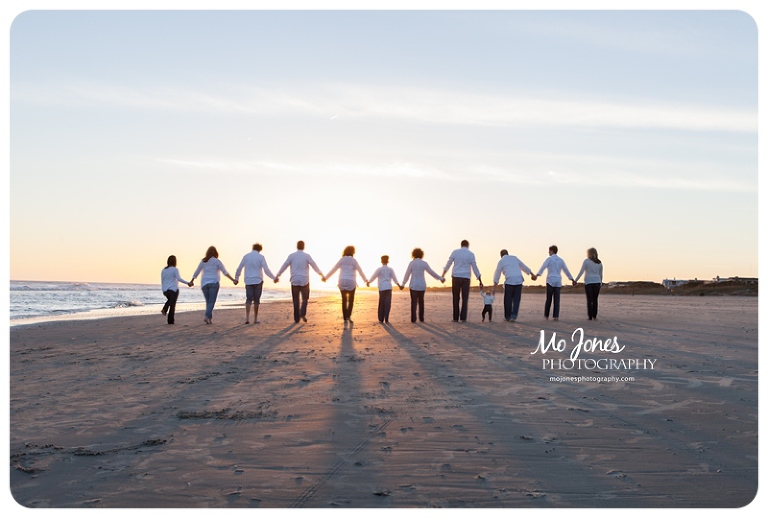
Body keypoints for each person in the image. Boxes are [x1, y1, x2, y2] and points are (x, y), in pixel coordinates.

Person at [274, 240, 325, 323]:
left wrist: (278, 275)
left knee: (295, 300)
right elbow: (314, 265)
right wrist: (321, 274)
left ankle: (296, 319)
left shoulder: (291, 256)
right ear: (303, 247)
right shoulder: (307, 256)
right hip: (305, 280)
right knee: (305, 298)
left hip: (294, 280)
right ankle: (302, 313)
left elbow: (284, 266)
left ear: (297, 246)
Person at [191, 246, 237, 324]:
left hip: (204, 284)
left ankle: (209, 319)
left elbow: (197, 272)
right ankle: (206, 316)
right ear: (216, 253)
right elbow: (225, 272)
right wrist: (233, 280)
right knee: (211, 302)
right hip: (214, 283)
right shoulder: (217, 261)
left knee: (208, 302)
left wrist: (192, 281)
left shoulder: (203, 261)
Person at [325, 246, 369, 325]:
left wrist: (326, 277)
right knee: (351, 300)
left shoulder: (342, 260)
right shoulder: (353, 261)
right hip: (351, 281)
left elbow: (334, 269)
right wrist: (365, 280)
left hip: (342, 281)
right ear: (352, 252)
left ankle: (345, 318)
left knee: (344, 300)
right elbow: (360, 271)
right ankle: (348, 316)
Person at [234, 243, 276, 324]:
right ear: (260, 249)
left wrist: (236, 278)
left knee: (248, 300)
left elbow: (239, 268)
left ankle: (247, 318)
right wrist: (273, 278)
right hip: (258, 280)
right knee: (256, 300)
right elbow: (266, 270)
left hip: (248, 281)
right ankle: (255, 319)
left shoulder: (246, 256)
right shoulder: (261, 257)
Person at [442, 240, 482, 322]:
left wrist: (443, 274)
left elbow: (448, 263)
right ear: (468, 245)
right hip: (466, 278)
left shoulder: (455, 252)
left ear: (461, 245)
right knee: (465, 298)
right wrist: (479, 279)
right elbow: (474, 267)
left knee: (455, 298)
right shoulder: (471, 254)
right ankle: (463, 317)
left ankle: (455, 318)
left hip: (456, 276)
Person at [402, 248, 445, 323]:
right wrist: (440, 278)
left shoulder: (412, 263)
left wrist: (403, 284)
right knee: (421, 302)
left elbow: (407, 274)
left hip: (413, 285)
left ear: (413, 254)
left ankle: (413, 319)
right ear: (421, 254)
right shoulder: (424, 263)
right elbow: (432, 272)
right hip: (422, 285)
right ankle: (421, 318)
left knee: (414, 302)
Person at [493, 249, 535, 322]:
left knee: (507, 300)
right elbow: (523, 266)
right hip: (519, 280)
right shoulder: (514, 258)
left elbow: (497, 273)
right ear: (507, 253)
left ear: (501, 255)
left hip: (510, 281)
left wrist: (494, 286)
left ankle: (507, 317)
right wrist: (532, 274)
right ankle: (513, 316)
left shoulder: (501, 261)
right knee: (516, 300)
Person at [535, 245, 574, 321]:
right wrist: (571, 279)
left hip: (550, 280)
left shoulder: (549, 259)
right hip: (558, 281)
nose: (548, 252)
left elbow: (543, 267)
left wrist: (537, 275)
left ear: (552, 251)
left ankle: (546, 315)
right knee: (557, 299)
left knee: (549, 299)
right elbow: (566, 270)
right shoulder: (561, 260)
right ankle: (556, 316)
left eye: (549, 251)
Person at [367, 255, 402, 324]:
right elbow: (394, 278)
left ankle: (381, 319)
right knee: (387, 303)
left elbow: (374, 276)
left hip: (382, 287)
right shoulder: (390, 269)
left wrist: (369, 282)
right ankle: (386, 318)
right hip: (388, 287)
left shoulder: (379, 269)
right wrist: (399, 285)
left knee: (382, 303)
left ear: (381, 261)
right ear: (388, 261)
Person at [161, 255, 193, 325]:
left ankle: (165, 309)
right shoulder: (175, 269)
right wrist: (188, 283)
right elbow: (179, 278)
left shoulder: (164, 270)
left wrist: (163, 289)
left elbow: (162, 280)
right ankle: (170, 320)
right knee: (172, 305)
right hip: (173, 290)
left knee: (170, 301)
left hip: (165, 290)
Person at [574, 247, 604, 320]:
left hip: (589, 282)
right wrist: (600, 282)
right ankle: (594, 315)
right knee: (595, 299)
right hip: (597, 282)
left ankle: (590, 316)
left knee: (589, 300)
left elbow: (581, 271)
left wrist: (576, 280)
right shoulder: (599, 262)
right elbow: (601, 274)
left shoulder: (586, 261)